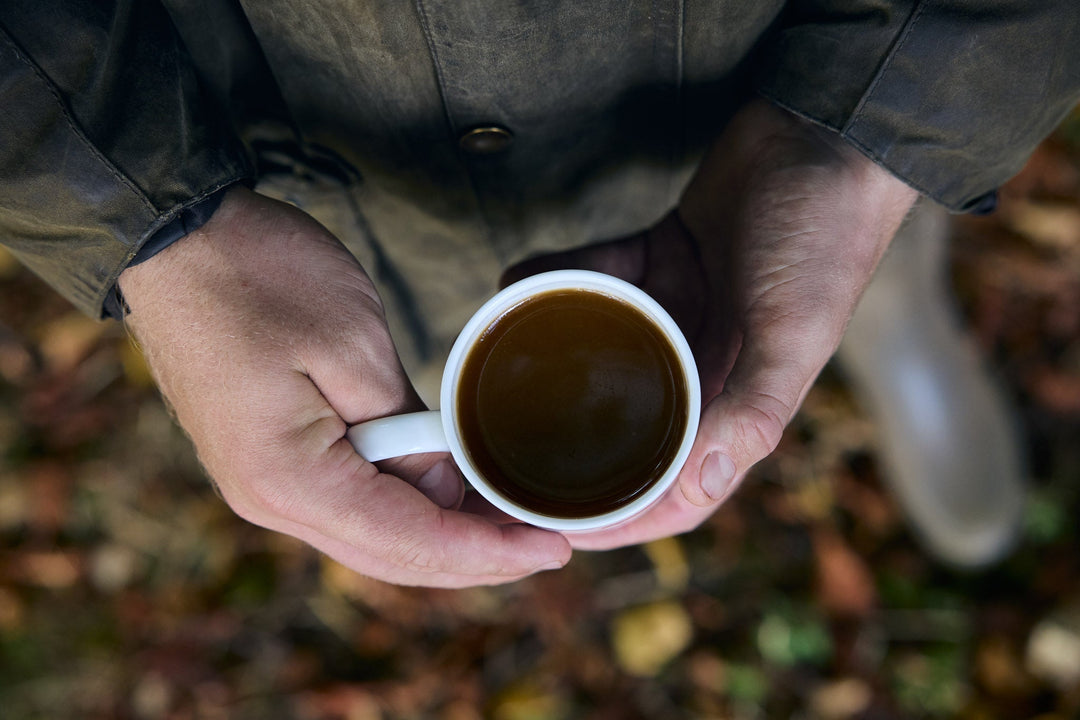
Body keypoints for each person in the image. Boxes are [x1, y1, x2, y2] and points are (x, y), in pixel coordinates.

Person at [2, 1, 1078, 587]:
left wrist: (875, 129)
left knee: (851, 233)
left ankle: (883, 303)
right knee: (409, 304)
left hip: (778, 63)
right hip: (309, 132)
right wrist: (151, 217)